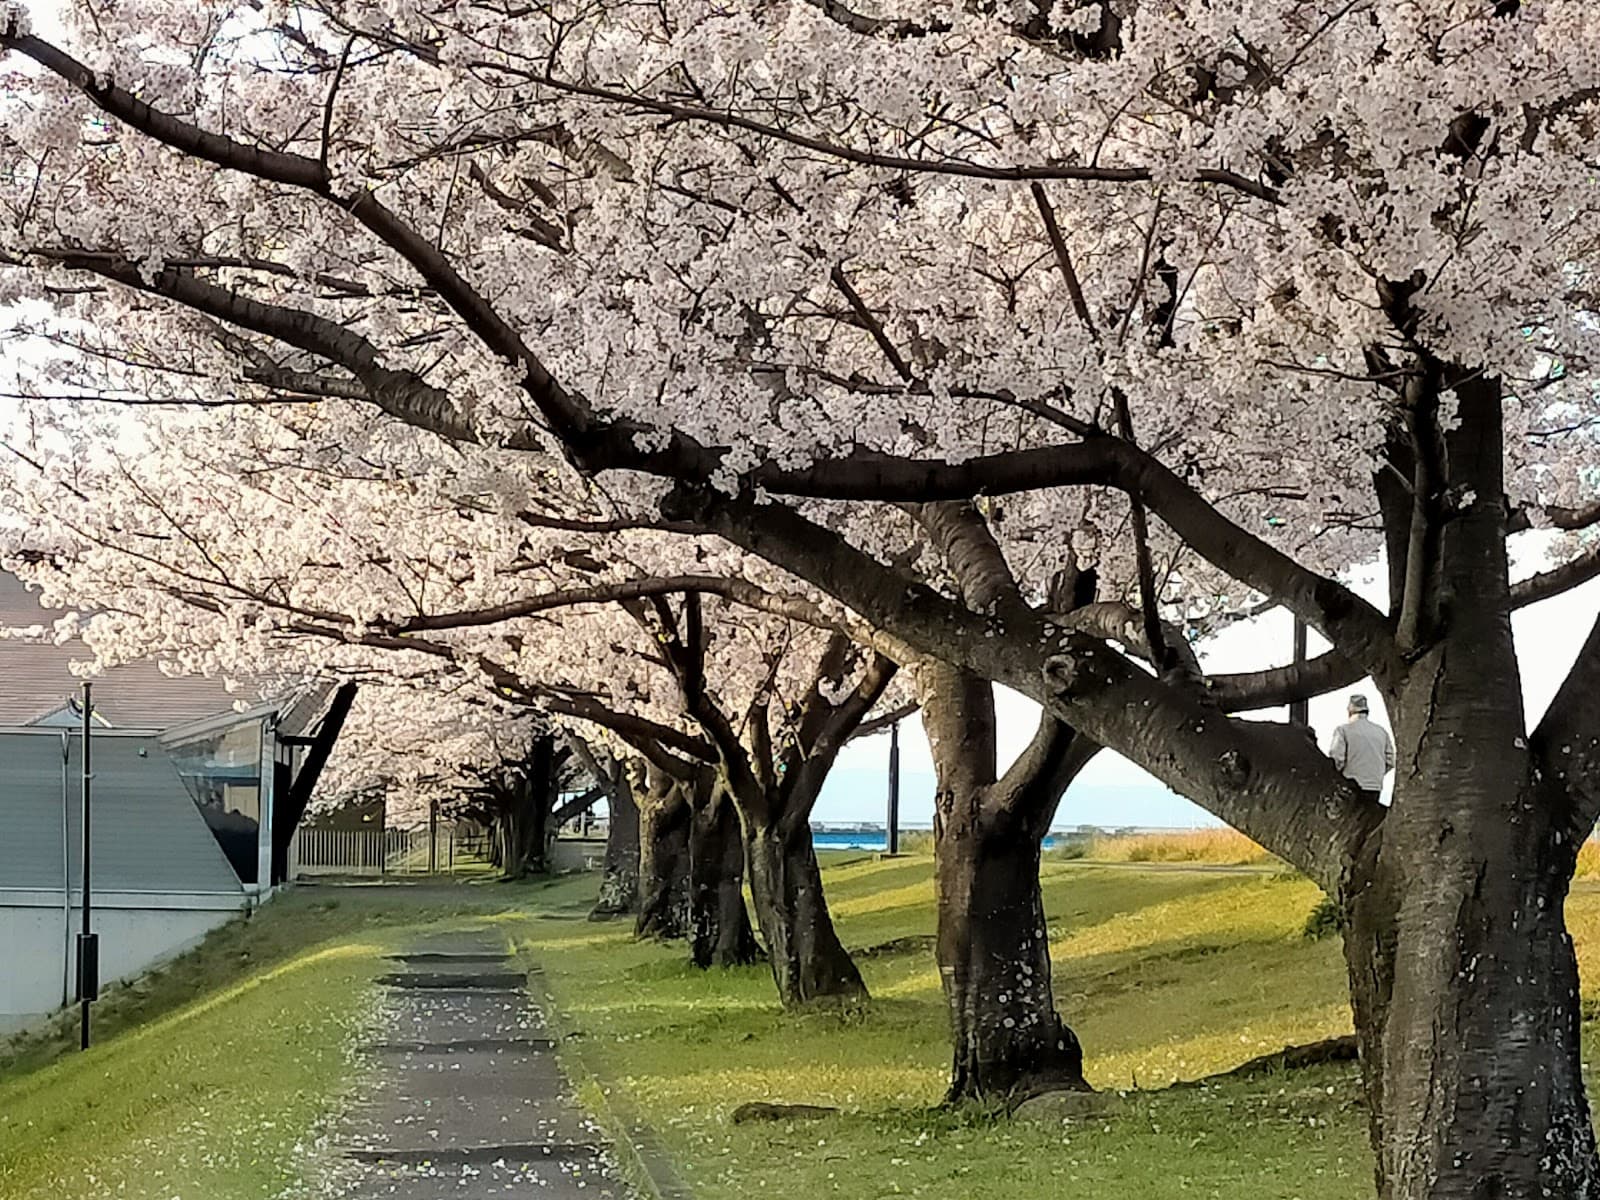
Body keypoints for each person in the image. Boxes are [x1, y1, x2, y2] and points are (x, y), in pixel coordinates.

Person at [1329, 694, 1395, 804]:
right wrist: (1375, 773)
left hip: (1351, 786)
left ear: (1350, 711)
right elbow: (1390, 761)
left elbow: (1337, 760)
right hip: (1375, 786)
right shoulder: (1381, 732)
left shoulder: (1343, 730)